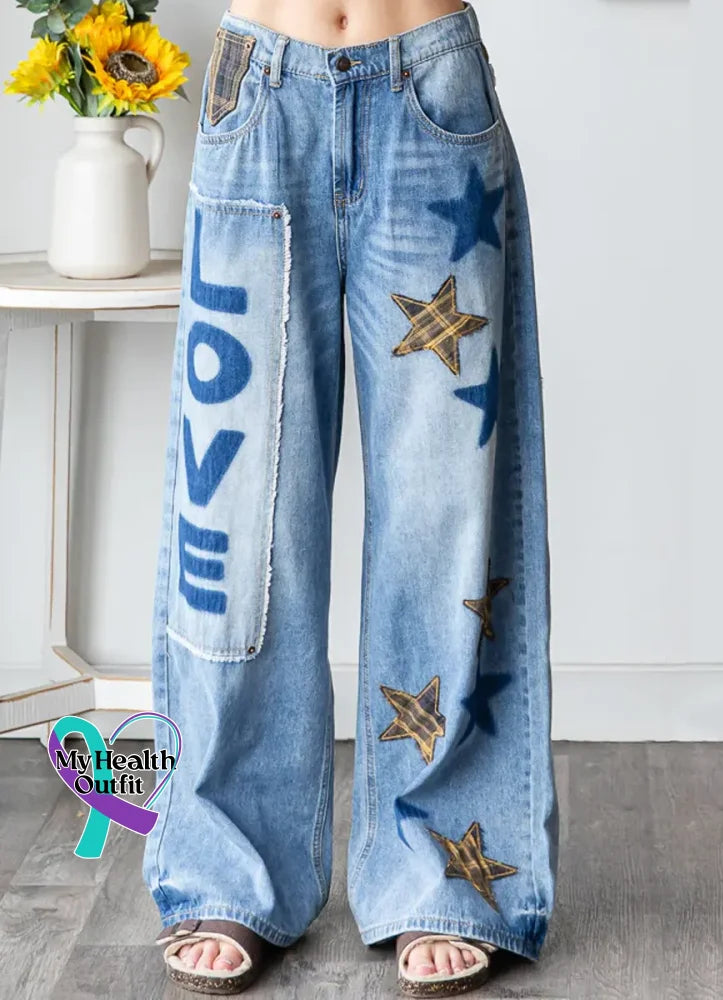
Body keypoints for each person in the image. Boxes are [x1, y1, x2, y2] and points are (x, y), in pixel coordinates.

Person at [143, 0, 558, 994]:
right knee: (238, 520)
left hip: (431, 100)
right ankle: (227, 861)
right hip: (261, 101)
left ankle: (443, 870)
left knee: (445, 523)